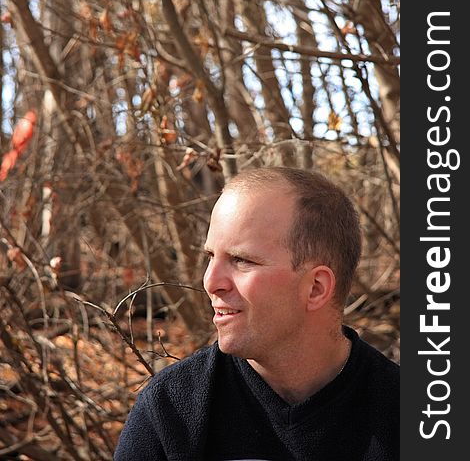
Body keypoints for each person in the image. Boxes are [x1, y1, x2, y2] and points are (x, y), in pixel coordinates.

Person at [114, 167, 399, 461]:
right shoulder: (171, 410)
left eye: (241, 260)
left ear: (315, 288)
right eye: (211, 257)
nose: (211, 282)